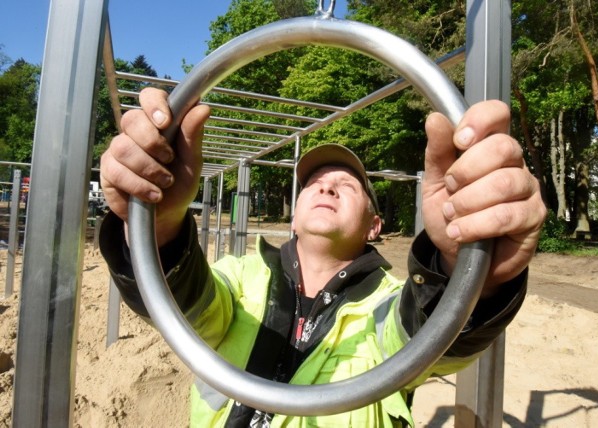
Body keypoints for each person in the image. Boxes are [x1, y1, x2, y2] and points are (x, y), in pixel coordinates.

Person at [99, 87, 546, 427]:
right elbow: (185, 306)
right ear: (294, 217)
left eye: (348, 186)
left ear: (374, 225)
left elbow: (429, 339)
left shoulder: (388, 304)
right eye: (314, 184)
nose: (328, 187)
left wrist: (470, 271)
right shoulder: (239, 276)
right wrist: (158, 227)